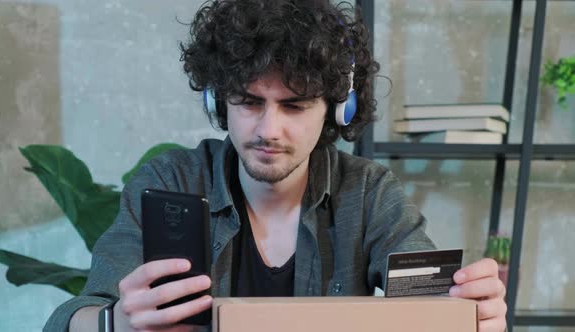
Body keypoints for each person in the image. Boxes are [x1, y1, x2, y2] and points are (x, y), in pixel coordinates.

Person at [45, 0, 507, 331]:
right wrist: (114, 321)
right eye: (248, 102)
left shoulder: (367, 193)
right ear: (218, 99)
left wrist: (472, 313)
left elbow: (429, 302)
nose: (269, 129)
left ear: (337, 108)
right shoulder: (173, 180)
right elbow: (72, 317)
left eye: (295, 106)